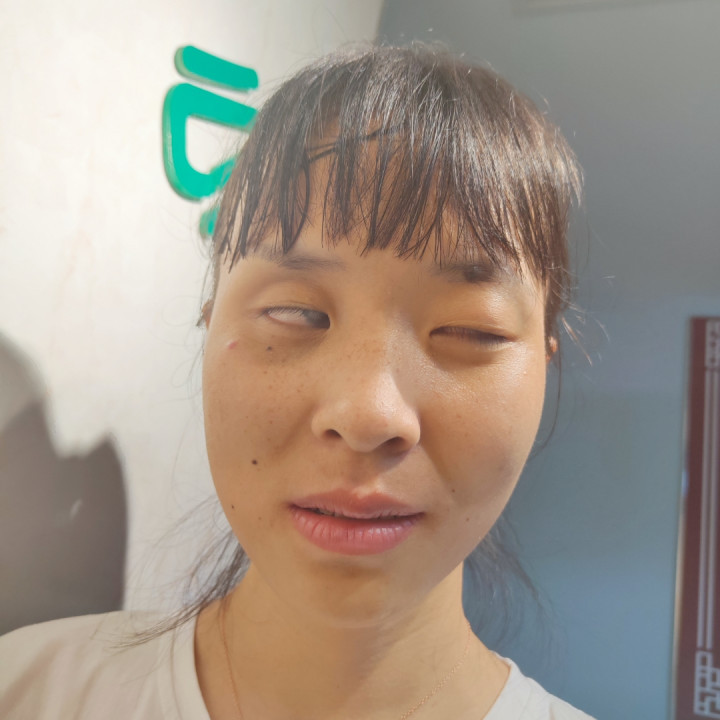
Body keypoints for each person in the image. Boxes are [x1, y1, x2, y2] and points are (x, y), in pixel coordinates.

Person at [0, 44, 595, 719]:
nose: (368, 414)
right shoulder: (27, 691)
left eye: (470, 330)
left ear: (543, 367)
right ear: (209, 322)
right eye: (296, 313)